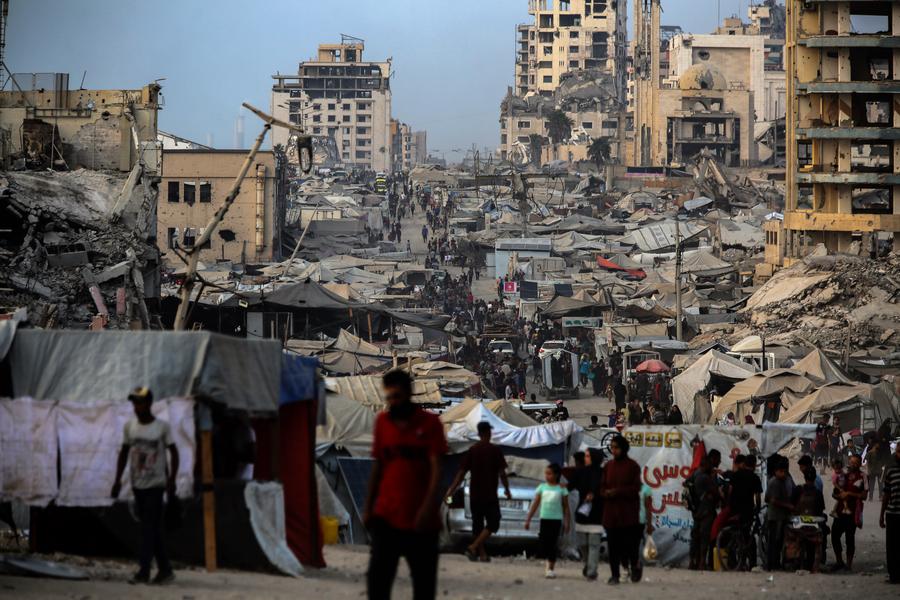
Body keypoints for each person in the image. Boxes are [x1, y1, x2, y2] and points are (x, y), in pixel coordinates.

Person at [365, 370, 447, 600]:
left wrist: (427, 509)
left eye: (397, 396)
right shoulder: (382, 422)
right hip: (386, 515)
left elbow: (437, 470)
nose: (393, 402)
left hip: (422, 521)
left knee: (423, 586)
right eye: (389, 397)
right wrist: (368, 507)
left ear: (409, 393)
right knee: (378, 582)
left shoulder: (430, 424)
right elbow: (378, 466)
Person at [111, 387, 179, 585]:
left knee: (148, 528)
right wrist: (117, 480)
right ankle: (165, 570)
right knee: (152, 528)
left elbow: (174, 452)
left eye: (139, 402)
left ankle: (144, 571)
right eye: (134, 402)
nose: (136, 406)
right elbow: (124, 453)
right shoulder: (130, 427)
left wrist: (172, 479)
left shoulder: (162, 427)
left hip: (156, 485)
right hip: (137, 484)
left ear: (149, 403)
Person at [445, 422, 511, 563]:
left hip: (475, 494)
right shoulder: (495, 450)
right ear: (488, 433)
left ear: (479, 434)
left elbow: (461, 474)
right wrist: (507, 489)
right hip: (489, 494)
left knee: (478, 525)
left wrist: (450, 490)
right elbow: (502, 473)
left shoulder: (472, 450)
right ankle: (473, 547)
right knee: (494, 522)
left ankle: (481, 554)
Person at [600, 434, 643, 584]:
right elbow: (602, 486)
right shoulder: (608, 466)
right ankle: (615, 575)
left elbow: (636, 488)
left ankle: (635, 565)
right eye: (612, 447)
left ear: (623, 448)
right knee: (613, 547)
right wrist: (605, 493)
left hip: (628, 515)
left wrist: (617, 492)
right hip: (611, 514)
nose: (613, 450)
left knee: (629, 546)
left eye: (616, 447)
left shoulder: (633, 466)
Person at [524, 464, 570, 579]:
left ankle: (550, 569)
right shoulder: (542, 487)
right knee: (544, 542)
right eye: (546, 473)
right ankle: (548, 564)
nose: (547, 476)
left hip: (556, 520)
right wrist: (528, 519)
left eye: (549, 474)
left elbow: (566, 507)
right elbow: (535, 504)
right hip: (544, 519)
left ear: (556, 475)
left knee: (552, 543)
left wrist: (567, 522)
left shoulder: (562, 489)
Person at [570, 448, 604, 581]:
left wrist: (596, 494)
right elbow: (570, 486)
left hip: (597, 514)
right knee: (583, 544)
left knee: (594, 544)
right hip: (582, 514)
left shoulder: (603, 473)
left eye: (588, 456)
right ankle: (588, 564)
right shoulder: (580, 472)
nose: (586, 458)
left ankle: (591, 571)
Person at [830, 454, 867, 572]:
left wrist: (849, 494)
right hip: (840, 510)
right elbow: (835, 492)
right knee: (834, 535)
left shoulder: (863, 476)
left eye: (856, 462)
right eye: (851, 462)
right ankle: (839, 561)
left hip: (853, 511)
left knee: (849, 538)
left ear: (860, 464)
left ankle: (849, 565)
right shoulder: (843, 475)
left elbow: (864, 496)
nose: (853, 464)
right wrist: (837, 495)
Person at [688, 454, 720, 570]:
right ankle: (702, 562)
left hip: (696, 512)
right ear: (706, 464)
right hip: (706, 511)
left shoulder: (694, 474)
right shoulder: (706, 478)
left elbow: (686, 484)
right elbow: (715, 492)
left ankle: (692, 562)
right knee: (705, 538)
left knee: (695, 537)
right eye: (710, 465)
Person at [765, 457, 793, 571]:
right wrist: (788, 506)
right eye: (781, 471)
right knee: (774, 541)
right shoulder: (775, 482)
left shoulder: (779, 481)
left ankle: (775, 563)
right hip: (776, 516)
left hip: (778, 516)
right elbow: (773, 500)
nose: (783, 474)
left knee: (778, 541)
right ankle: (772, 564)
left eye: (784, 471)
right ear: (776, 471)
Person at [880, 440, 900, 584]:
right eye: (898, 452)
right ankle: (893, 575)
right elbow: (886, 494)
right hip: (892, 514)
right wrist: (881, 515)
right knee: (892, 546)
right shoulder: (891, 471)